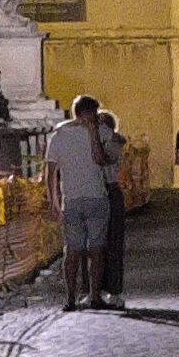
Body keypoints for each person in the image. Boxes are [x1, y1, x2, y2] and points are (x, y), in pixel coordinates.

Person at [47, 92, 124, 311]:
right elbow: (113, 146)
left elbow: (51, 173)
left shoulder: (60, 135)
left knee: (81, 250)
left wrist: (54, 201)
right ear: (88, 113)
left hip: (79, 199)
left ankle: (79, 297)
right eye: (95, 112)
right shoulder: (88, 131)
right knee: (88, 251)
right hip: (90, 197)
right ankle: (86, 296)